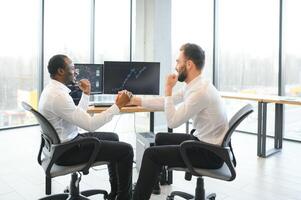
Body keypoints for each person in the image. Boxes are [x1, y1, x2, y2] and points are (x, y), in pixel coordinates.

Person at [130, 43, 229, 200]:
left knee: (150, 154)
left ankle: (139, 195)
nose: (176, 66)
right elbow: (167, 101)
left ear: (189, 64)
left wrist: (168, 89)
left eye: (178, 62)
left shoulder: (200, 92)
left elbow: (172, 122)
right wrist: (136, 100)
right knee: (160, 138)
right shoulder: (196, 85)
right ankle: (152, 182)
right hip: (206, 143)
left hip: (209, 153)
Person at [39, 54, 133, 200]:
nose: (75, 72)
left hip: (63, 145)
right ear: (61, 71)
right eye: (72, 68)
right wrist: (118, 105)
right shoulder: (59, 96)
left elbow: (77, 117)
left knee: (113, 138)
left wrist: (86, 94)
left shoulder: (52, 90)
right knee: (126, 150)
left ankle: (114, 193)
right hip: (68, 151)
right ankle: (124, 198)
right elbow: (90, 125)